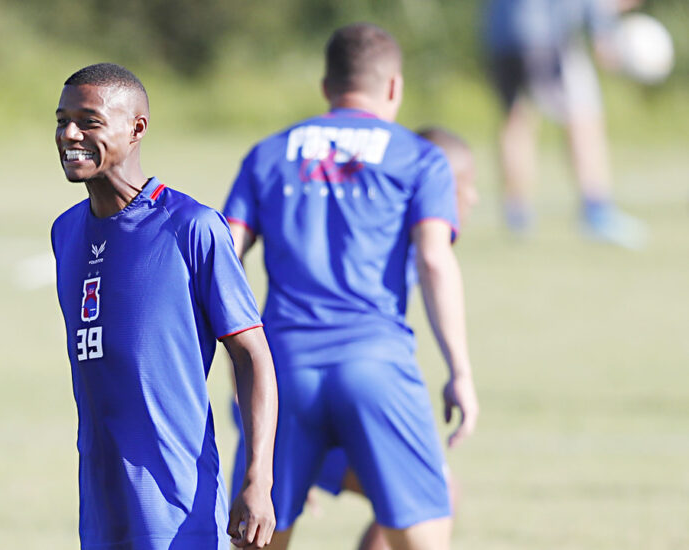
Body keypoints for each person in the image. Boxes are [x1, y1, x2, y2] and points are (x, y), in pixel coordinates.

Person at [223, 23, 479, 550]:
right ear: (394, 88)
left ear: (326, 88)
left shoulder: (268, 154)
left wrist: (238, 361)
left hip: (283, 374)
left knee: (258, 538)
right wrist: (459, 371)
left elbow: (222, 258)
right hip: (376, 366)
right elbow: (434, 260)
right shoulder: (419, 157)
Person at [50, 63, 277, 550]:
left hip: (177, 504)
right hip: (100, 502)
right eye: (61, 119)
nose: (69, 134)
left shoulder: (191, 227)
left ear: (136, 129)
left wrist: (259, 477)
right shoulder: (65, 232)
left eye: (88, 121)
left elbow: (253, 355)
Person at [484, 0, 648, 248]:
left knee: (516, 120)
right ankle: (596, 210)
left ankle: (517, 215)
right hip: (546, 37)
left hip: (501, 34)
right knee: (583, 116)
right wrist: (602, 28)